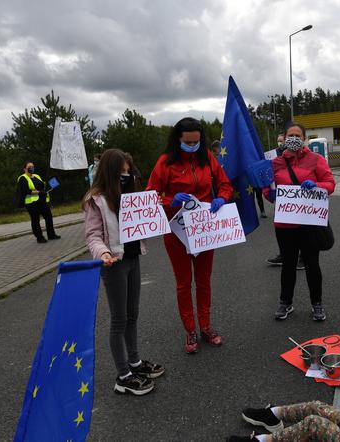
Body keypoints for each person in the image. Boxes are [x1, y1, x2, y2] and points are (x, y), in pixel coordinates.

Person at [146, 117, 233, 354]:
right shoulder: (165, 162)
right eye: (188, 142)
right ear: (178, 139)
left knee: (204, 281)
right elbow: (149, 195)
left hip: (204, 228)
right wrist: (169, 201)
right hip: (176, 231)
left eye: (196, 141)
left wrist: (221, 198)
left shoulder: (207, 157)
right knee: (184, 283)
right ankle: (190, 330)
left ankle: (205, 326)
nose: (193, 146)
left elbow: (225, 184)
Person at [83, 148, 165, 396]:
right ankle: (123, 376)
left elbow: (143, 225)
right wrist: (103, 253)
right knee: (119, 319)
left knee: (133, 313)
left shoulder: (130, 196)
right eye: (121, 173)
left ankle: (135, 362)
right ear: (110, 173)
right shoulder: (95, 200)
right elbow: (93, 235)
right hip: (113, 264)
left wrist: (153, 209)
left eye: (128, 173)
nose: (126, 177)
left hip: (132, 258)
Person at [264, 123, 335, 321]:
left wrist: (317, 185)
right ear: (284, 138)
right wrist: (269, 193)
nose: (293, 138)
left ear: (303, 138)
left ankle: (317, 304)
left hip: (309, 223)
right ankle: (285, 303)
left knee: (312, 264)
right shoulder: (276, 162)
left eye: (297, 135)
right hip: (285, 225)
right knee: (288, 264)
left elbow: (330, 184)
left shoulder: (316, 159)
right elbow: (268, 189)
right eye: (290, 135)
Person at [266, 133, 302, 268]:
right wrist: (269, 192)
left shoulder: (305, 157)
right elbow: (268, 178)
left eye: (282, 141)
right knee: (284, 231)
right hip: (283, 205)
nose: (281, 143)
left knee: (303, 230)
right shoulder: (273, 156)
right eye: (279, 141)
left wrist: (316, 186)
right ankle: (284, 255)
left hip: (302, 204)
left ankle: (303, 257)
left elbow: (327, 182)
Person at [16, 161, 60, 243]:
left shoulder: (36, 176)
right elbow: (25, 191)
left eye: (32, 166)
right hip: (31, 203)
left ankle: (51, 235)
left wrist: (52, 184)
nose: (31, 168)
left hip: (42, 201)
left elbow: (43, 185)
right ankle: (39, 237)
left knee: (48, 217)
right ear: (24, 169)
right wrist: (38, 192)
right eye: (29, 167)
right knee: (35, 220)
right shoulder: (22, 178)